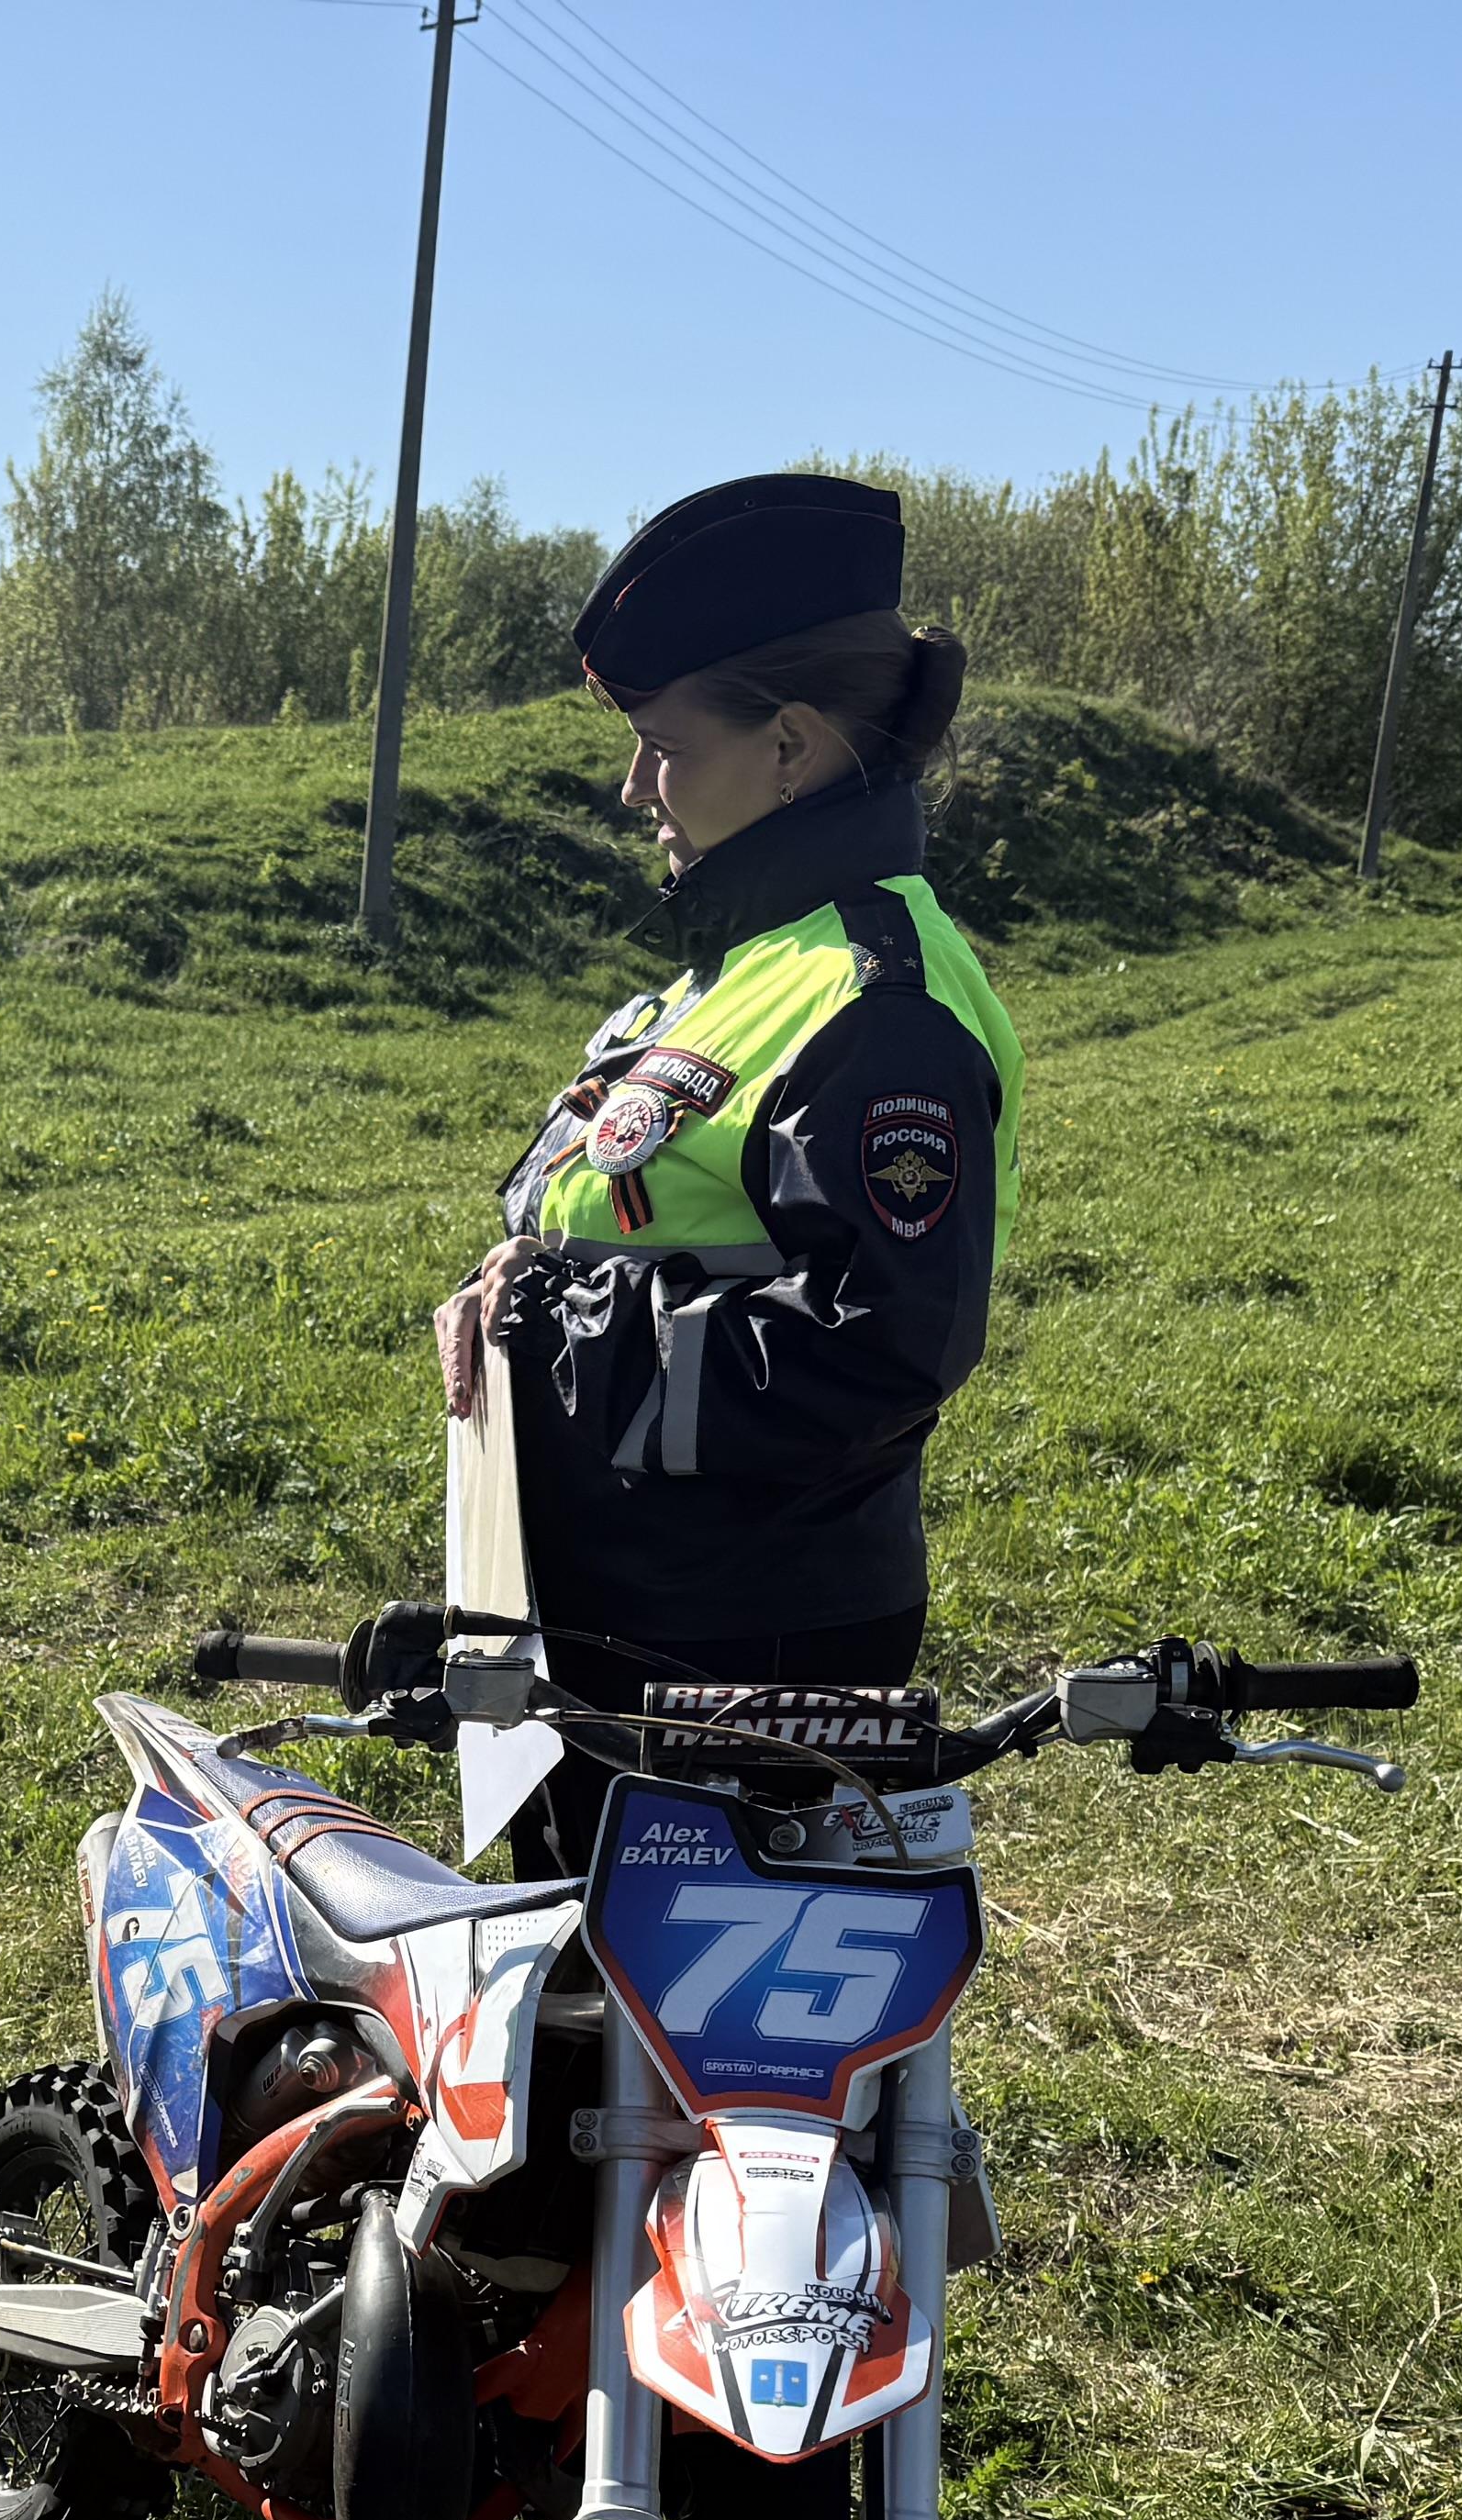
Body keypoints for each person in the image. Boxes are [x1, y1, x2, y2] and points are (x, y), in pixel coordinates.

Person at [432, 472, 1021, 1821]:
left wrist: (550, 1325)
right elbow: (634, 1225)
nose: (633, 785)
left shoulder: (878, 1005)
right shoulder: (741, 965)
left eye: (663, 748)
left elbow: (879, 1350)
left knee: (668, 1973)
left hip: (739, 1639)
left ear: (791, 747)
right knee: (568, 1960)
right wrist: (518, 1277)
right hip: (617, 1605)